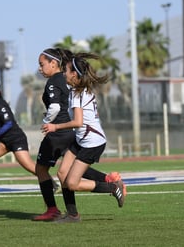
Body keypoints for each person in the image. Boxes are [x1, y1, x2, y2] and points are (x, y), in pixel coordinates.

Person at [33, 48, 122, 222]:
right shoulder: (79, 90)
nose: (64, 73)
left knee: (72, 182)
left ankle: (111, 187)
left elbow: (78, 122)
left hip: (91, 142)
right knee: (62, 174)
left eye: (66, 70)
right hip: (79, 139)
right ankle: (72, 215)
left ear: (74, 74)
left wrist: (54, 127)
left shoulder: (77, 94)